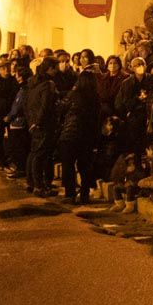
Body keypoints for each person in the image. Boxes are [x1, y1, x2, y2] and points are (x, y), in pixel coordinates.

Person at [58, 69, 99, 204]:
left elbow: (62, 108)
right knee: (85, 166)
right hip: (87, 135)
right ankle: (84, 195)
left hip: (70, 134)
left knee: (68, 165)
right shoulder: (95, 97)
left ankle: (70, 194)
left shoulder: (74, 94)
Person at [24, 57, 59, 197]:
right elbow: (46, 105)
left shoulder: (33, 82)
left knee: (34, 153)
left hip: (33, 123)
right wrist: (38, 122)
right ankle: (39, 185)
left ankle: (31, 183)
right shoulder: (47, 84)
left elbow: (26, 104)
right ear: (50, 68)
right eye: (55, 67)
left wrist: (31, 122)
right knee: (40, 154)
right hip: (44, 124)